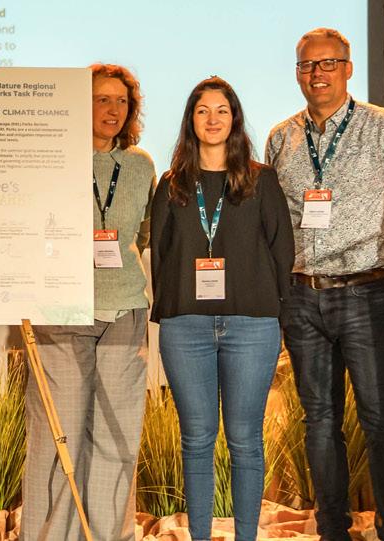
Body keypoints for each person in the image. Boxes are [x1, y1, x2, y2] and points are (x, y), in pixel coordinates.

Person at [263, 27, 384, 541]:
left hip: (364, 293)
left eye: (328, 63)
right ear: (297, 73)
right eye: (307, 65)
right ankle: (332, 529)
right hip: (301, 297)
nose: (317, 74)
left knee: (382, 422)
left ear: (349, 69)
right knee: (319, 421)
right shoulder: (281, 137)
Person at [153, 77, 294, 541]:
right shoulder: (172, 185)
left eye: (221, 110)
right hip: (185, 327)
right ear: (190, 120)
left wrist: (279, 314)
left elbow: (282, 250)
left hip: (251, 325)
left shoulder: (261, 180)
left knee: (245, 440)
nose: (212, 119)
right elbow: (160, 254)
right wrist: (171, 308)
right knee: (196, 440)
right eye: (202, 111)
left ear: (234, 119)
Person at [22, 62, 154, 541]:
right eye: (102, 99)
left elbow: (142, 234)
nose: (112, 110)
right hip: (62, 309)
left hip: (124, 309)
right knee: (57, 440)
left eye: (121, 101)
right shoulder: (51, 159)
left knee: (116, 440)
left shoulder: (140, 165)